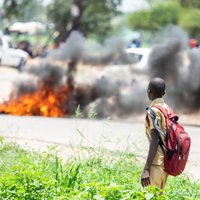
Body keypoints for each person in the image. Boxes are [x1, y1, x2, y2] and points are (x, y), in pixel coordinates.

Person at [141, 77, 169, 189]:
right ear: (164, 93)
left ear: (149, 91)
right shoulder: (167, 109)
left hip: (156, 164)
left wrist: (146, 169)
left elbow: (155, 140)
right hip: (166, 163)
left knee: (150, 196)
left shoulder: (153, 111)